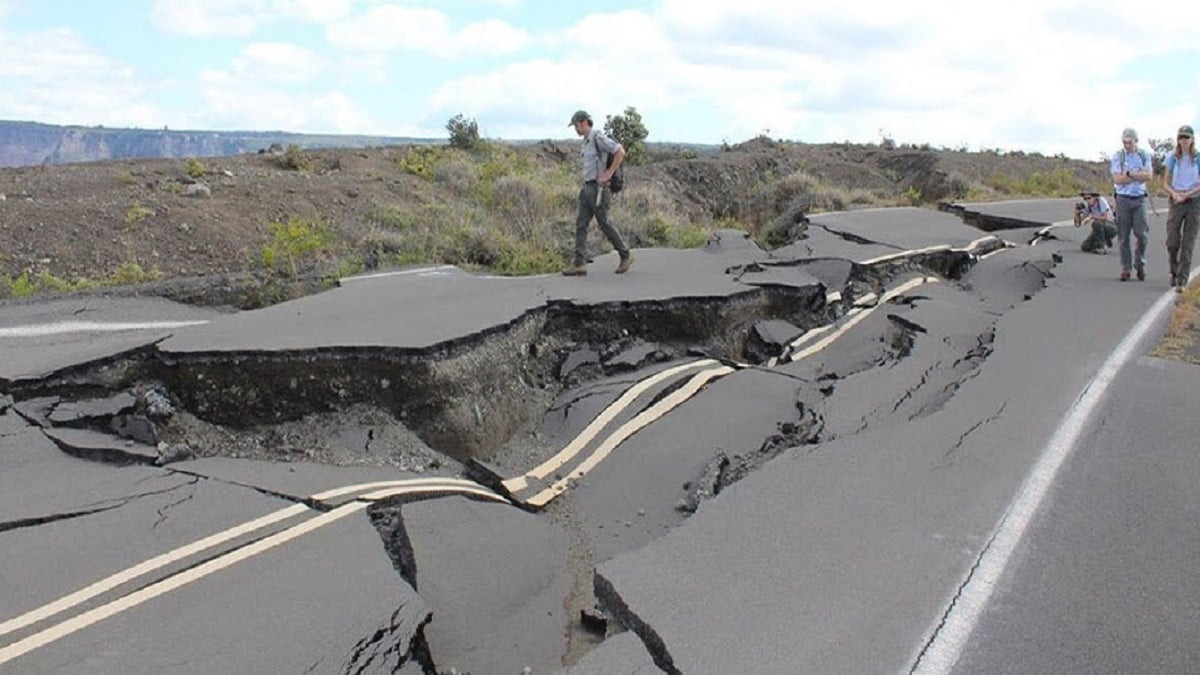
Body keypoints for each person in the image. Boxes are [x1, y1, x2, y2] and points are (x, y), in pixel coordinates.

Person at [562, 110, 633, 276]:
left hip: (599, 189)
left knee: (604, 223)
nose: (576, 129)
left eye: (577, 125)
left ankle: (625, 255)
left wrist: (608, 173)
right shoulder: (586, 141)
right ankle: (579, 263)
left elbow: (619, 151)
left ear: (584, 122)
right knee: (581, 224)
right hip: (587, 188)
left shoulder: (597, 138)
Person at [1110, 127, 1153, 281]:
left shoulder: (1143, 155)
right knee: (1123, 236)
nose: (1127, 145)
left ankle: (1139, 263)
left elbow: (1148, 176)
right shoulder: (1118, 156)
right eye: (1124, 142)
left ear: (1136, 141)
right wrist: (1137, 175)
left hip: (1139, 198)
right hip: (1123, 198)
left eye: (1129, 142)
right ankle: (1125, 268)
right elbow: (1117, 180)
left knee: (1142, 234)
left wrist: (1129, 173)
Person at [1164, 124, 1200, 291]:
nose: (1183, 140)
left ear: (1192, 139)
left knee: (1188, 241)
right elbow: (1165, 182)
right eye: (1181, 137)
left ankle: (1182, 279)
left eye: (1186, 137)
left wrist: (1188, 194)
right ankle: (1174, 270)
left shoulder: (1197, 158)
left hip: (1193, 200)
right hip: (1176, 199)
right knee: (1172, 241)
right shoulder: (1173, 157)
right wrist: (1174, 194)